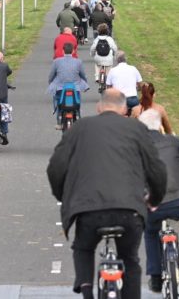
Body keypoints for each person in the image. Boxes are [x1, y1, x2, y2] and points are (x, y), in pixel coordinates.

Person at [47, 89, 167, 299]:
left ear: (99, 107)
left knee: (83, 248)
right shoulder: (137, 128)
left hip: (89, 210)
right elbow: (156, 169)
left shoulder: (80, 128)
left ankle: (86, 290)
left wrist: (63, 196)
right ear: (124, 109)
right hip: (129, 210)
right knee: (130, 259)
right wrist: (154, 200)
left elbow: (56, 167)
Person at [137, 110, 179, 291]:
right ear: (159, 125)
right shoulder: (175, 142)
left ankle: (156, 278)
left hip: (153, 204)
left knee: (150, 232)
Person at [48, 42, 89, 129]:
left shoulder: (56, 61)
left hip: (60, 87)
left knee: (58, 101)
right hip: (75, 87)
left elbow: (51, 75)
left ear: (63, 51)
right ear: (73, 51)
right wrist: (85, 83)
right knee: (77, 103)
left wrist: (51, 82)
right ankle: (78, 116)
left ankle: (59, 120)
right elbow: (83, 75)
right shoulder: (78, 62)